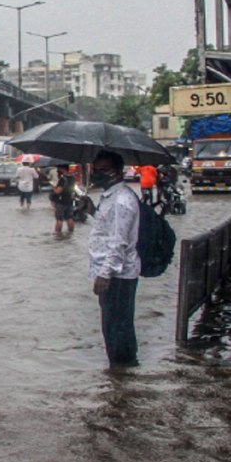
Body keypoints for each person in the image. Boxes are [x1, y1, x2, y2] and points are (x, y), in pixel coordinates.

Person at [87, 150, 141, 367]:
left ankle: (123, 370)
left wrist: (105, 274)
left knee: (118, 329)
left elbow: (120, 242)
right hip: (110, 273)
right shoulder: (110, 197)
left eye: (102, 170)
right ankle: (120, 376)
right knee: (111, 327)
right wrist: (91, 211)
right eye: (95, 170)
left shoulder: (122, 200)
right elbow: (108, 230)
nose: (96, 174)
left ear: (116, 172)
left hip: (118, 276)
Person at [50, 163, 77, 236]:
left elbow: (58, 191)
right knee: (70, 217)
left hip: (61, 201)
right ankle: (71, 233)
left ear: (62, 169)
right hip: (70, 200)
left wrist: (53, 187)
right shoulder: (72, 177)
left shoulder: (63, 179)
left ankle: (58, 233)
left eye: (58, 168)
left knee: (59, 218)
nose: (57, 170)